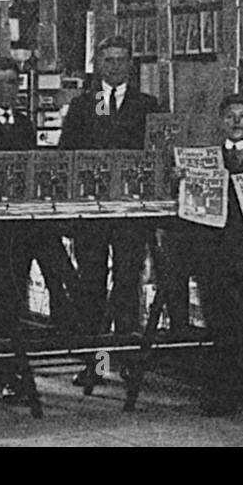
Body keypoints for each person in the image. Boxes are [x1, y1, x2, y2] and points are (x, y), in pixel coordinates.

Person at [0, 58, 80, 401]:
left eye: (11, 83)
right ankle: (2, 378)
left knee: (20, 295)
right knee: (1, 298)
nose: (5, 90)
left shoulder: (25, 123)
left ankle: (17, 369)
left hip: (24, 228)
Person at [165, 94, 243, 415]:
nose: (235, 122)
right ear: (221, 120)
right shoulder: (206, 160)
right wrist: (180, 181)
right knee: (220, 323)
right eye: (230, 116)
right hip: (214, 253)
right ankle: (222, 394)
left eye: (242, 116)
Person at [59, 36, 159, 387]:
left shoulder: (148, 105)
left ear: (130, 64)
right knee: (91, 285)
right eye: (108, 60)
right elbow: (66, 158)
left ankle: (129, 358)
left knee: (128, 283)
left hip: (131, 212)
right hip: (92, 212)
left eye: (121, 59)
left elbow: (158, 154)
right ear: (98, 64)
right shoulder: (83, 106)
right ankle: (95, 362)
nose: (115, 66)